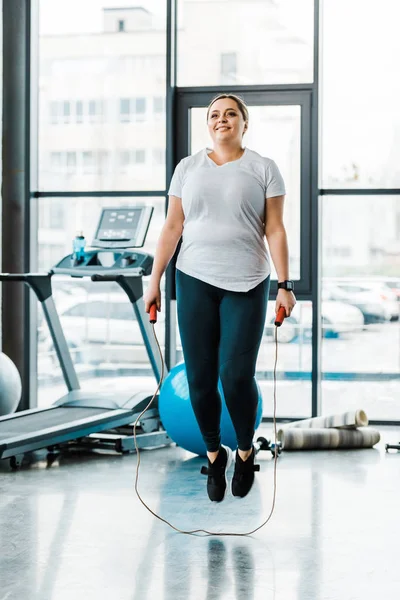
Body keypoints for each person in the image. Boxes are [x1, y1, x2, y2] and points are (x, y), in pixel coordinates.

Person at [144, 93, 296, 503]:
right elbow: (172, 226)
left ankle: (244, 451)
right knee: (199, 380)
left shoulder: (263, 168)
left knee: (234, 375)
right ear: (207, 124)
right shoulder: (187, 168)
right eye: (214, 114)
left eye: (231, 114)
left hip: (247, 282)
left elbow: (276, 229)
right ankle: (215, 455)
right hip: (193, 278)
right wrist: (154, 279)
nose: (222, 119)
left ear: (244, 124)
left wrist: (285, 284)